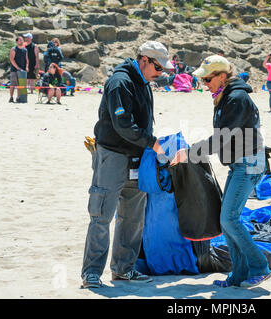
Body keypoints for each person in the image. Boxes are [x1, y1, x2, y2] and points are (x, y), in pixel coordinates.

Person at [170, 55, 271, 288]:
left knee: (229, 218)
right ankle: (238, 275)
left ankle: (259, 267)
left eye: (207, 79)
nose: (205, 84)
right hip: (241, 163)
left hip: (249, 163)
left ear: (222, 76)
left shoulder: (236, 98)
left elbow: (222, 137)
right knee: (227, 220)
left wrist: (190, 152)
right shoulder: (227, 97)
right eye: (203, 80)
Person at [81, 41, 173, 289]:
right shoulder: (120, 82)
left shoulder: (143, 82)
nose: (161, 73)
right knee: (101, 215)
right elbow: (123, 125)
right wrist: (153, 143)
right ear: (144, 60)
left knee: (133, 218)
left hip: (138, 158)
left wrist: (150, 145)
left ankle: (123, 269)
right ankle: (91, 273)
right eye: (158, 67)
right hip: (112, 156)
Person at [9, 36, 28, 103]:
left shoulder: (25, 50)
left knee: (20, 85)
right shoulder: (13, 49)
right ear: (17, 41)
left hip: (22, 70)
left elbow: (26, 59)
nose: (21, 41)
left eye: (22, 40)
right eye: (20, 40)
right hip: (14, 70)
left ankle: (18, 97)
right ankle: (11, 97)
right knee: (13, 84)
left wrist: (27, 67)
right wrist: (17, 68)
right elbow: (11, 59)